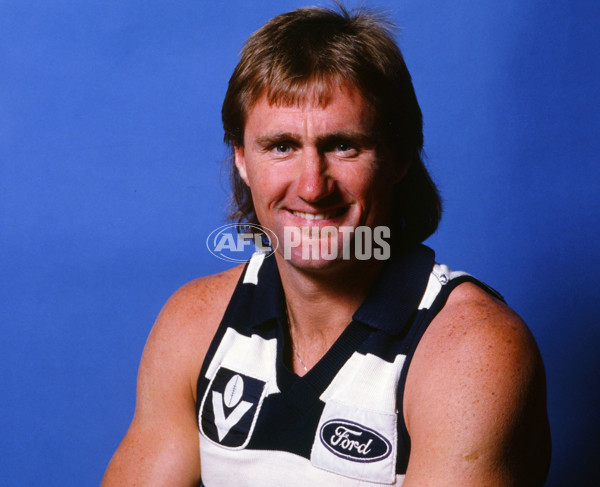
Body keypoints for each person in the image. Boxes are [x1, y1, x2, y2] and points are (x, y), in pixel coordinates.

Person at [102, 5, 551, 486]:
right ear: (242, 159)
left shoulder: (469, 349)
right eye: (281, 146)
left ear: (398, 156)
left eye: (343, 145)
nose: (313, 187)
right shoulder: (194, 323)